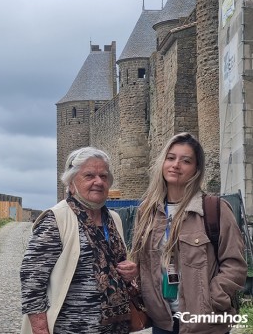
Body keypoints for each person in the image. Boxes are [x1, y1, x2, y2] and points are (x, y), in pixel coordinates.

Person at [130, 132, 247, 334]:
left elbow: (235, 263)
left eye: (186, 161)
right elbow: (142, 263)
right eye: (171, 158)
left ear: (196, 169)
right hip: (162, 323)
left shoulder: (214, 209)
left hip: (205, 324)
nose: (176, 165)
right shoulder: (146, 212)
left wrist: (213, 299)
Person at [20, 146, 137, 334]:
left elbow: (115, 265)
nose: (98, 182)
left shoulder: (114, 219)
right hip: (71, 329)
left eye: (104, 176)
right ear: (71, 183)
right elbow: (32, 280)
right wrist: (41, 329)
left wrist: (130, 272)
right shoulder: (56, 219)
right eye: (89, 176)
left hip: (117, 328)